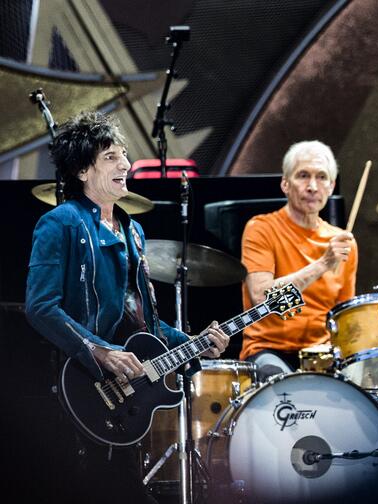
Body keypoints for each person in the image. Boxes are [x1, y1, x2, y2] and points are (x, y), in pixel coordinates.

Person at [25, 111, 229, 502]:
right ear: (83, 171)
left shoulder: (133, 230)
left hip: (124, 396)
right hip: (76, 387)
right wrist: (100, 351)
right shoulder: (60, 222)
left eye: (124, 156)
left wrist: (195, 343)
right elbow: (40, 307)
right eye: (111, 157)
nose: (126, 165)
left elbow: (145, 322)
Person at [240, 140, 357, 375]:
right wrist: (323, 264)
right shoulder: (261, 228)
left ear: (332, 186)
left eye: (322, 177)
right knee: (284, 385)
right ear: (285, 183)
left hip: (322, 354)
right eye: (303, 176)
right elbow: (261, 297)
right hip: (269, 349)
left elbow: (344, 317)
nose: (312, 186)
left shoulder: (344, 244)